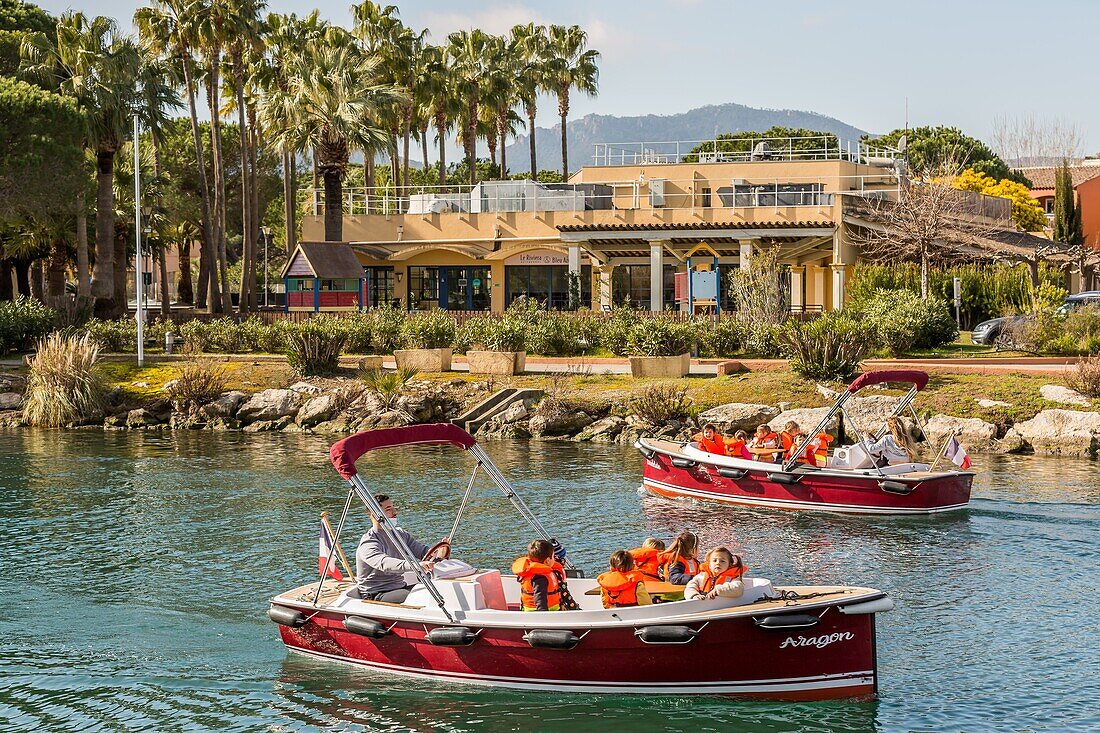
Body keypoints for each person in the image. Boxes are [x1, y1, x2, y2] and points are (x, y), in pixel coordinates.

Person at [355, 493, 444, 604]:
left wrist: (440, 553)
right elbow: (383, 563)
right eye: (388, 509)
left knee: (441, 590)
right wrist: (414, 565)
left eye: (393, 507)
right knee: (421, 597)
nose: (394, 512)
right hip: (376, 593)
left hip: (399, 587)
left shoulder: (400, 535)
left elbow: (424, 552)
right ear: (374, 515)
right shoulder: (368, 542)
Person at [511, 539, 564, 612]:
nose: (555, 559)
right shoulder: (540, 578)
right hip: (539, 614)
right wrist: (543, 616)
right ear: (547, 560)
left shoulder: (539, 573)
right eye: (553, 556)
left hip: (551, 611)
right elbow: (540, 599)